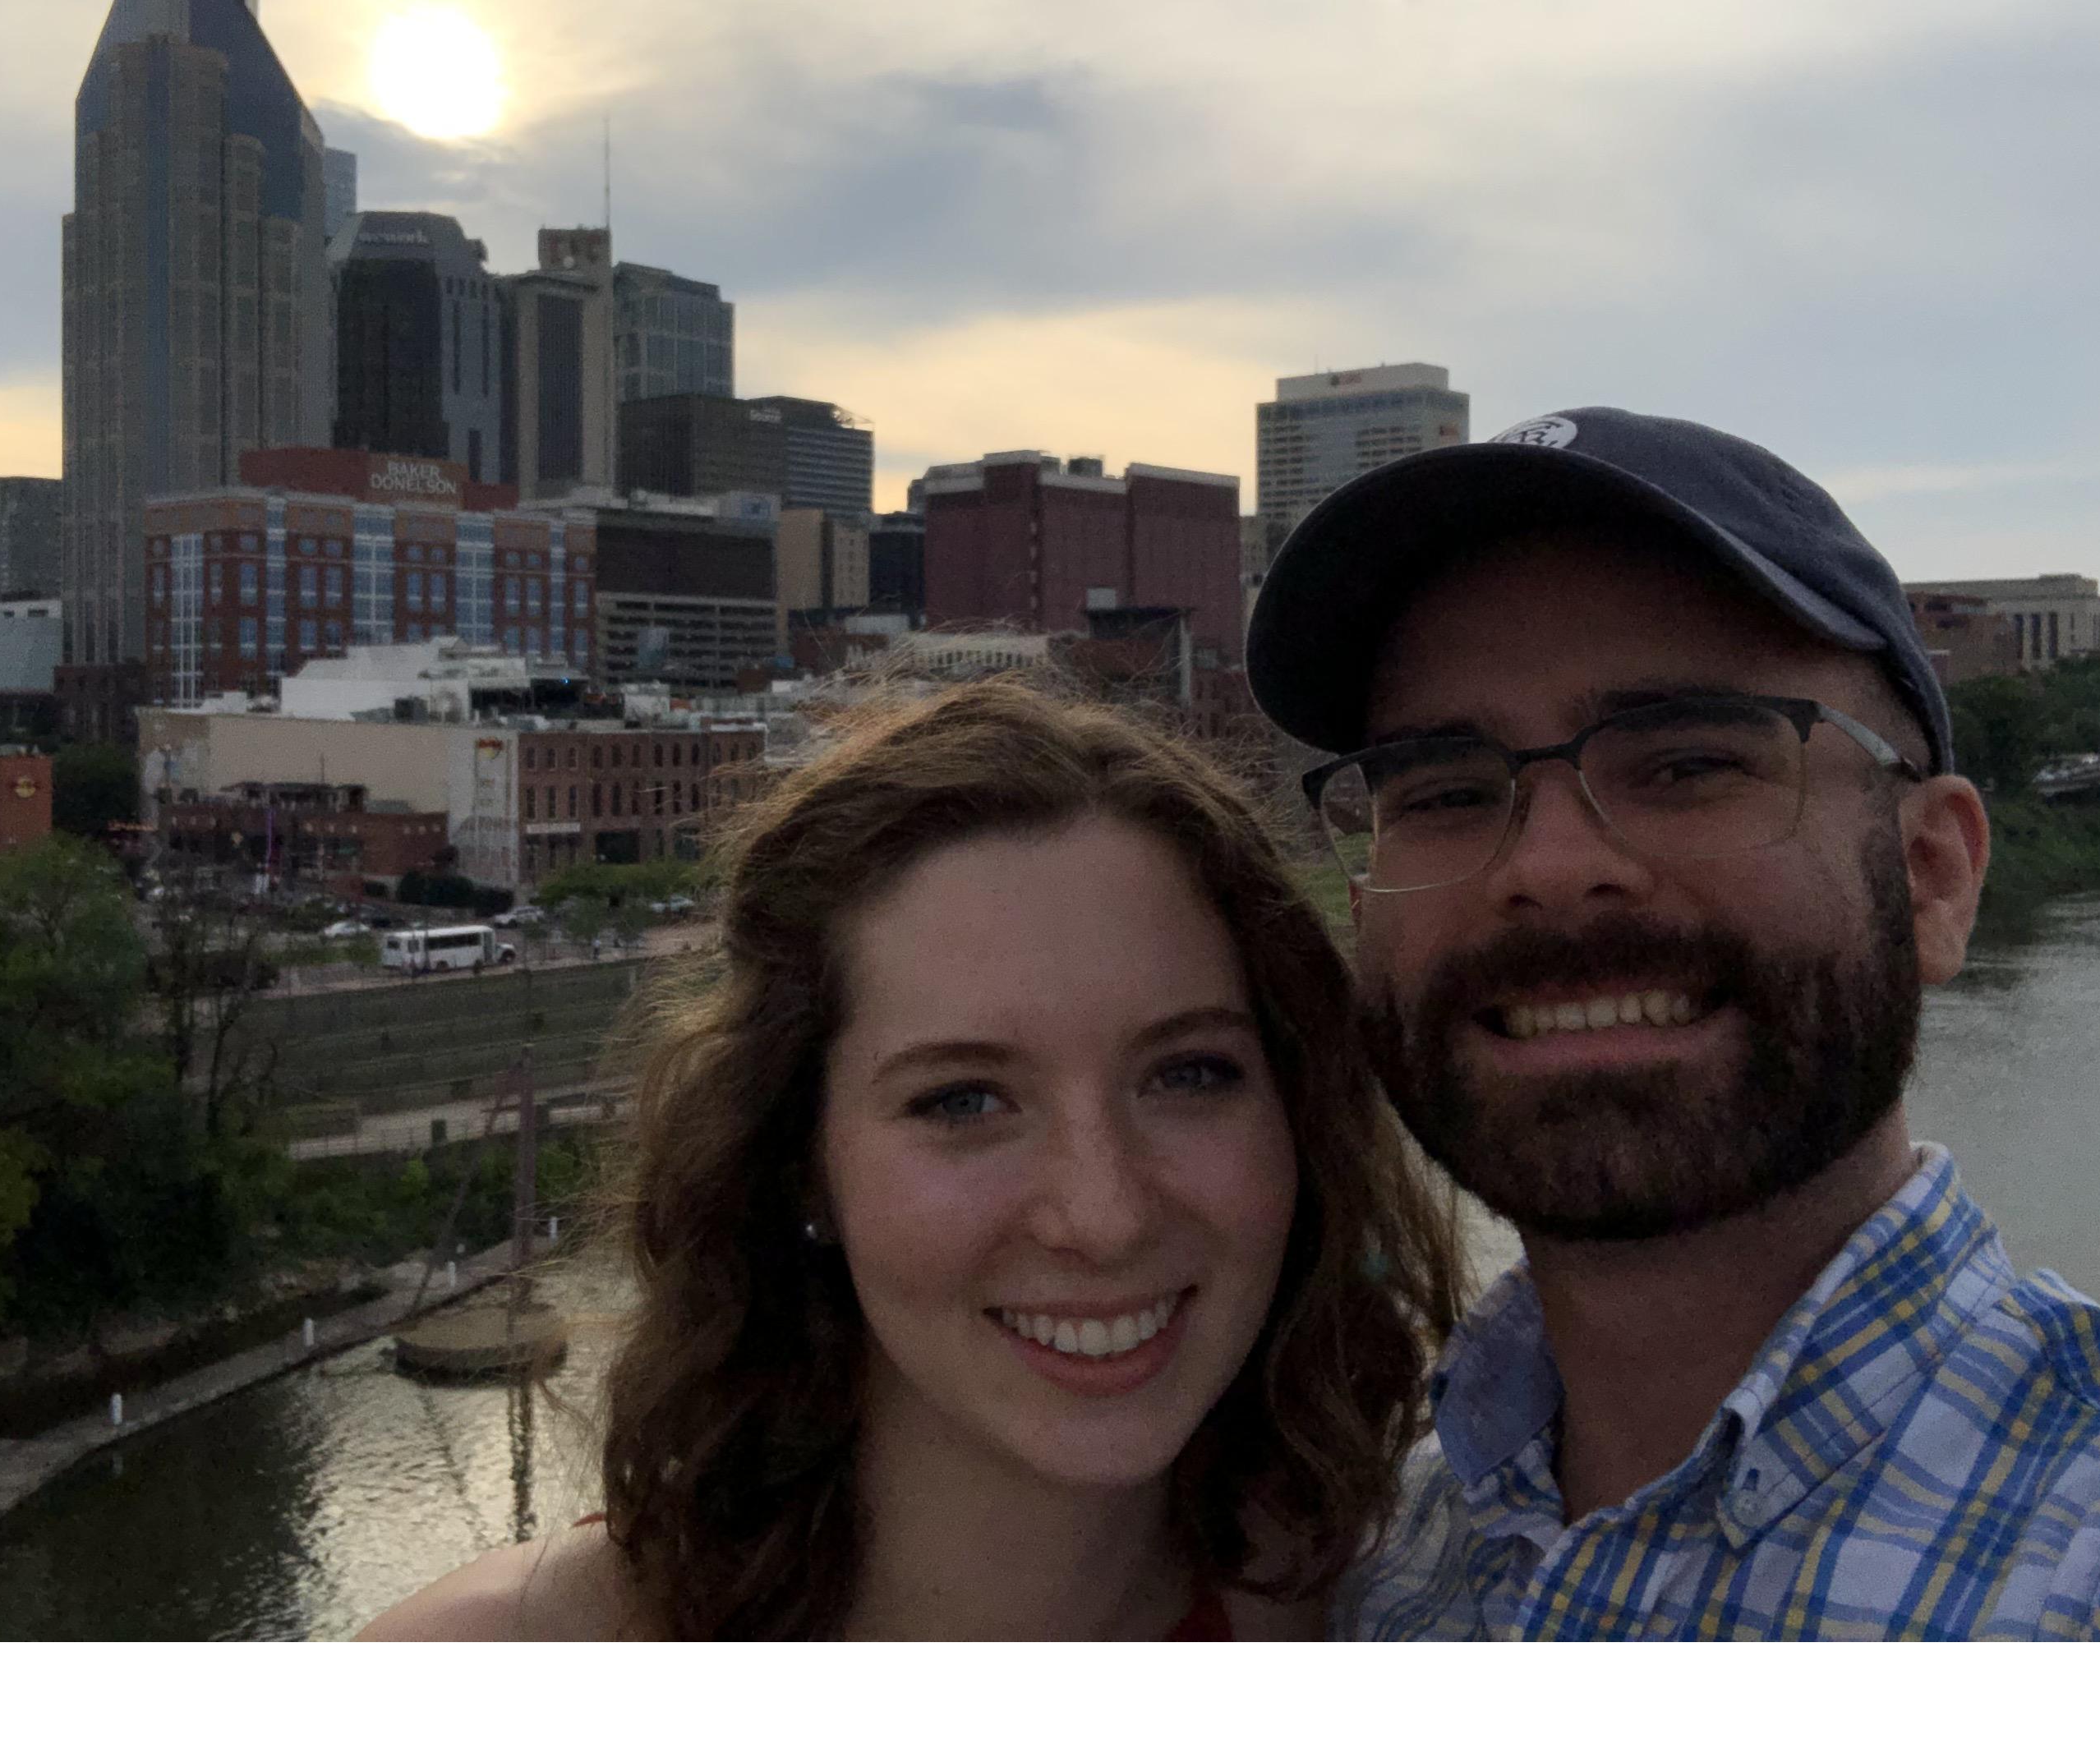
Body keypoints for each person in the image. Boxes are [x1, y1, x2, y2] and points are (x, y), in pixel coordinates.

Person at [1246, 405, 2100, 1640]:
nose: (1551, 865)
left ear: (1932, 878)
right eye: (1449, 791)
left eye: (1687, 764)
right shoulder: (1370, 1571)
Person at [361, 674, 1459, 1640]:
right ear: (799, 1162)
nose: (1106, 1212)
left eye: (1189, 1074)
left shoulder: (1400, 1617)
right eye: (964, 1099)